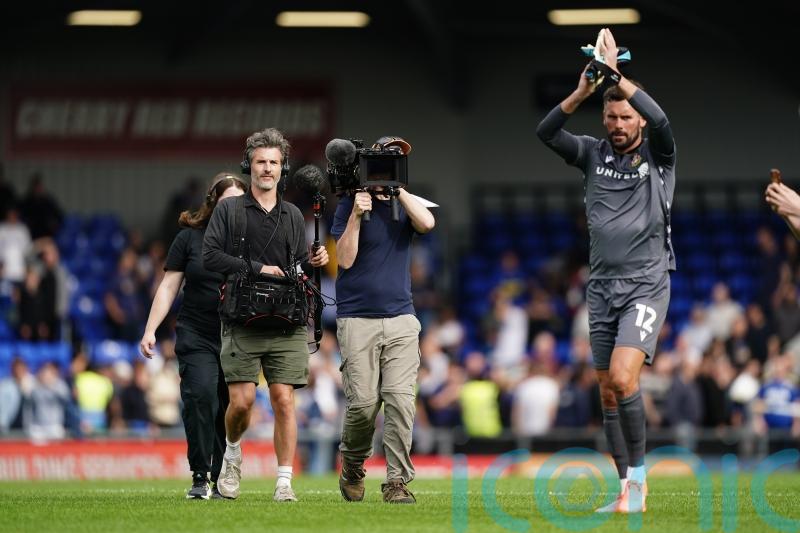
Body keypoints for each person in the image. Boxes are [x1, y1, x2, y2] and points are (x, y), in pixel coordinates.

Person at [537, 28, 676, 513]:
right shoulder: (592, 154)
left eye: (626, 117)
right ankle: (624, 490)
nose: (618, 124)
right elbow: (546, 133)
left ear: (639, 120)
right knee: (608, 393)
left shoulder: (660, 157)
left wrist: (617, 77)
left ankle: (638, 486)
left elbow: (662, 118)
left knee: (622, 376)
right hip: (600, 289)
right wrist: (583, 91)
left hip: (646, 285)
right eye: (612, 116)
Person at [203, 128, 329, 502]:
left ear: (283, 167)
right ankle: (232, 452)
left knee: (284, 400)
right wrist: (258, 269)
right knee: (241, 402)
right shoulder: (228, 210)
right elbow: (210, 257)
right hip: (242, 318)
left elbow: (298, 266)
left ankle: (284, 482)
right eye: (261, 162)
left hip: (286, 320)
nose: (268, 168)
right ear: (249, 165)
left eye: (274, 162)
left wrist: (314, 261)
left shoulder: (293, 215)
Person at [332, 135, 435, 504]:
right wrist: (357, 214)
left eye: (396, 160)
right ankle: (353, 465)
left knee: (401, 400)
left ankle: (397, 481)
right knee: (362, 405)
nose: (390, 165)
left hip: (401, 317)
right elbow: (344, 259)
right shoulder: (349, 203)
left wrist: (399, 190)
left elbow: (428, 223)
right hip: (357, 318)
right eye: (385, 160)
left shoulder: (405, 203)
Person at [139, 172, 247, 499]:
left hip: (238, 336)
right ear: (213, 202)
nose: (233, 208)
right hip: (197, 333)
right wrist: (150, 329)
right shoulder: (188, 238)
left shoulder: (253, 239)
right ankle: (200, 475)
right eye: (227, 201)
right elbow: (169, 286)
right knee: (201, 397)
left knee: (228, 408)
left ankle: (221, 477)